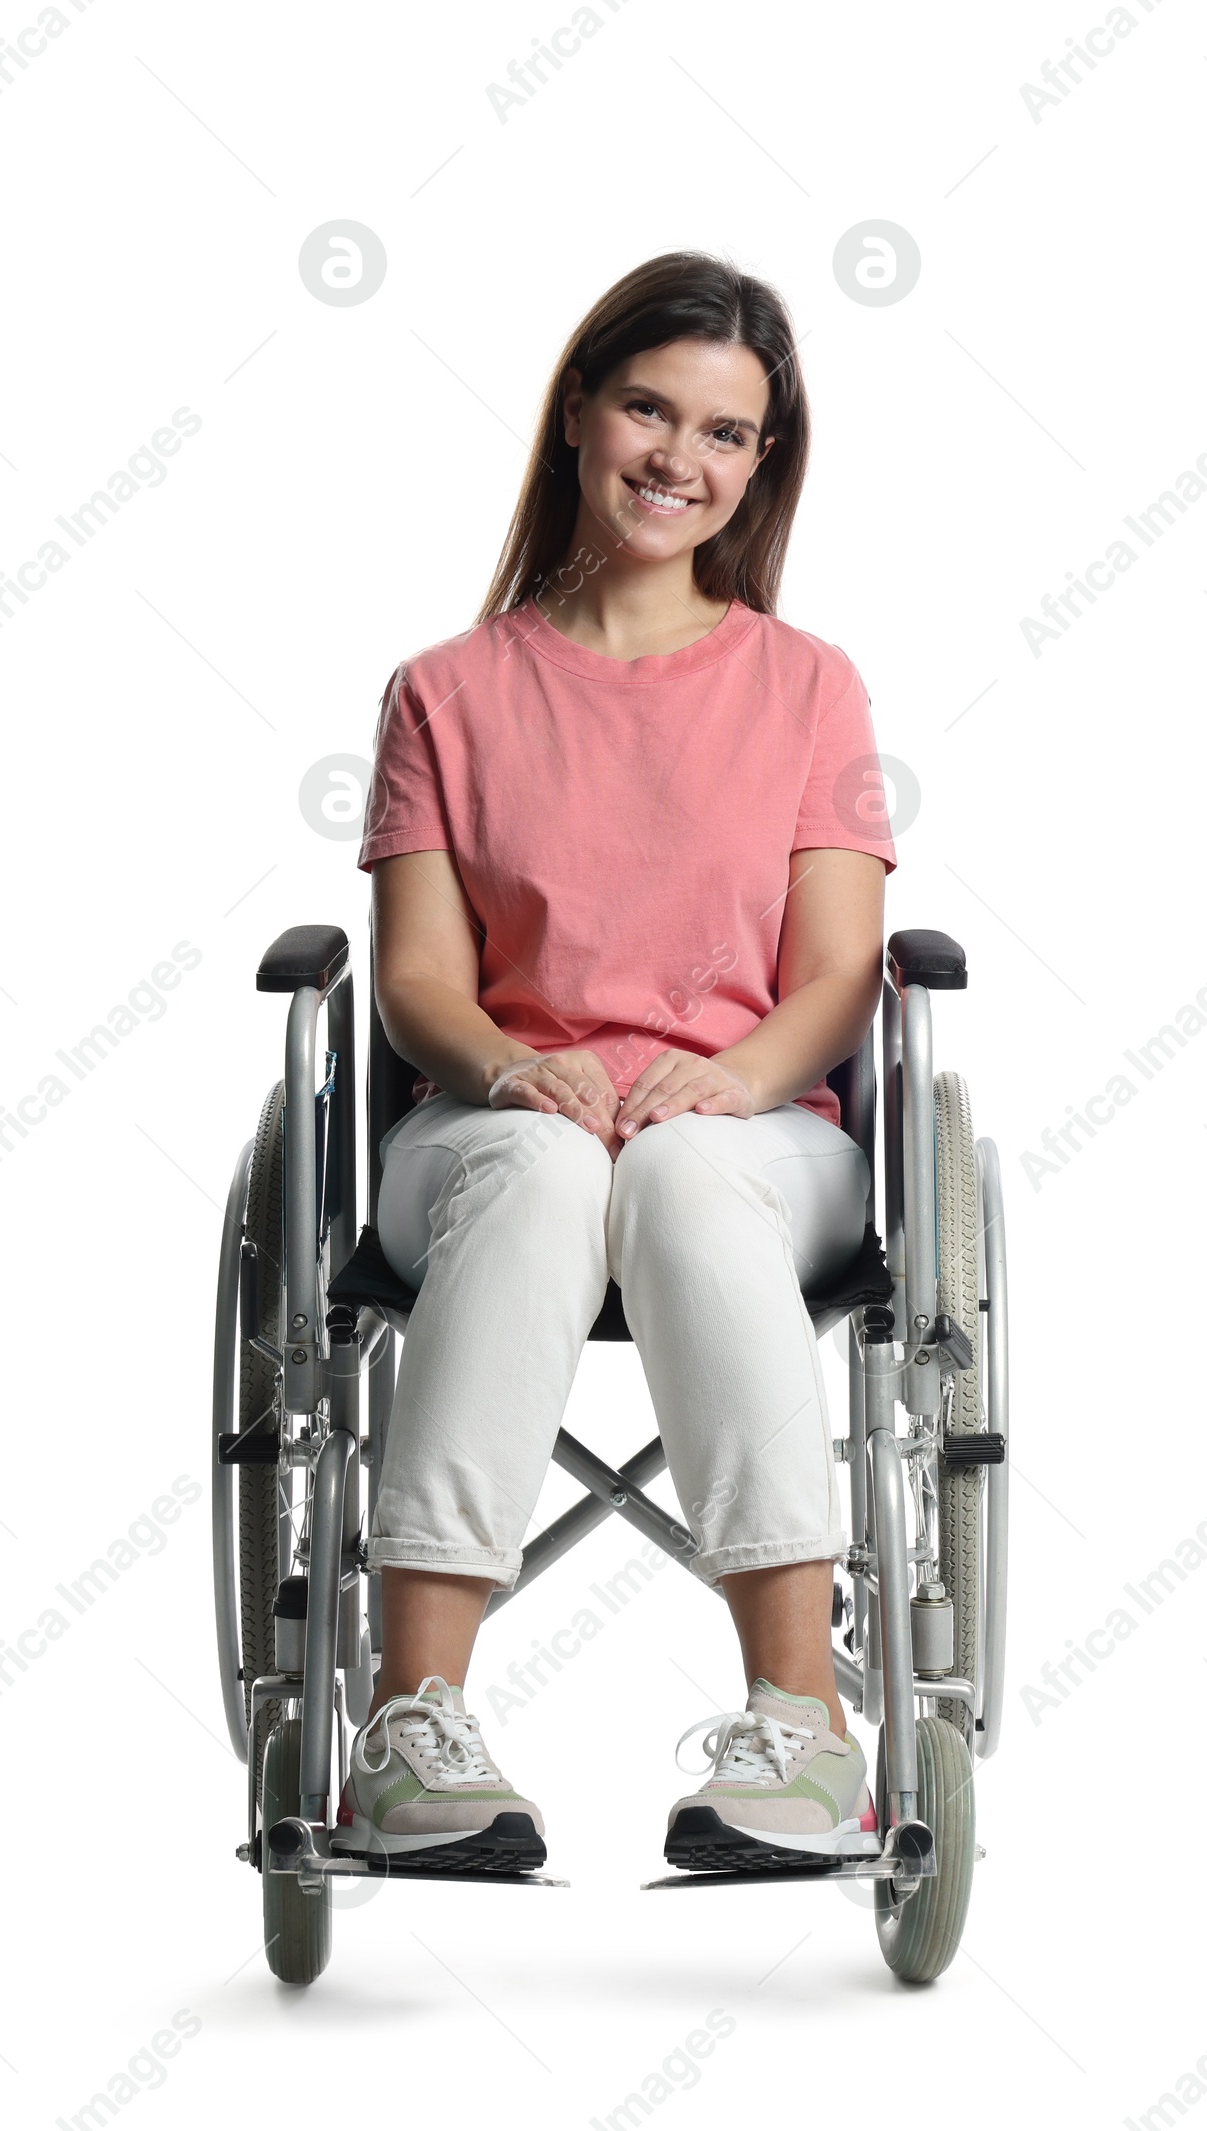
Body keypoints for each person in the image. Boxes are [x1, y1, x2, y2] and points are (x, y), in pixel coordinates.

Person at [333, 251, 898, 1877]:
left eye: (727, 433)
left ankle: (803, 1723)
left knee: (676, 1170)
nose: (679, 457)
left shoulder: (806, 687)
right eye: (651, 406)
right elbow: (422, 980)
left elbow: (838, 974)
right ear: (581, 409)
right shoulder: (447, 692)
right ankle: (411, 1723)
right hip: (488, 1125)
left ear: (759, 466)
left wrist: (732, 1076)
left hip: (754, 1133)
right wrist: (512, 1070)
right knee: (548, 1166)